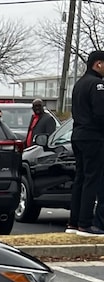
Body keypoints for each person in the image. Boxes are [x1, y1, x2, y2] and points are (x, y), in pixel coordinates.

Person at [68, 50, 104, 235]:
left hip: (77, 134)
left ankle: (74, 222)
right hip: (93, 136)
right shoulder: (97, 84)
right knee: (92, 179)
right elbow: (100, 114)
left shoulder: (79, 84)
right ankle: (85, 223)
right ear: (98, 64)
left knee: (80, 178)